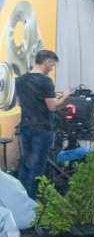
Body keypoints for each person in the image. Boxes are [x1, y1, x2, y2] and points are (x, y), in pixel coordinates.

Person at [15, 50, 68, 198]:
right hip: (42, 129)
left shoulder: (20, 80)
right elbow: (52, 107)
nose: (52, 68)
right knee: (37, 167)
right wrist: (64, 97)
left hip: (25, 126)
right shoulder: (45, 81)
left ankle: (20, 198)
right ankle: (32, 202)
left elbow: (19, 103)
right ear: (47, 62)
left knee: (26, 164)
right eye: (52, 65)